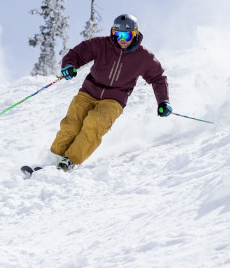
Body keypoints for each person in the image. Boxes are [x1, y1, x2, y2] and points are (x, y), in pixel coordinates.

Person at [49, 13, 172, 171]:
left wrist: (163, 101)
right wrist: (69, 65)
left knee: (95, 122)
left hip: (114, 100)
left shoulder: (143, 57)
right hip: (88, 92)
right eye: (117, 34)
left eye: (126, 35)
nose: (121, 39)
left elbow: (158, 78)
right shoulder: (102, 44)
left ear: (134, 34)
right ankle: (53, 158)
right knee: (71, 124)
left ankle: (70, 160)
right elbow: (77, 53)